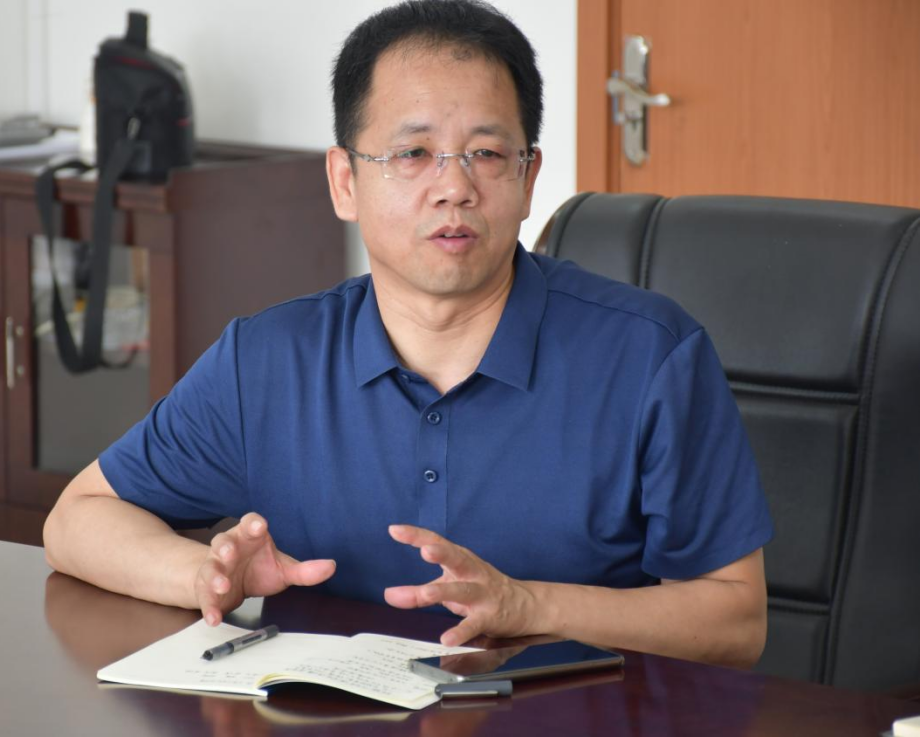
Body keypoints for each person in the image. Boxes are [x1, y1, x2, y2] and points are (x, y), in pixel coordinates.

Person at [44, 0, 773, 669]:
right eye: (413, 153)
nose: (454, 187)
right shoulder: (268, 362)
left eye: (487, 153)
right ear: (344, 182)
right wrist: (203, 575)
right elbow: (79, 519)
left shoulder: (649, 357)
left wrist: (532, 606)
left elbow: (735, 619)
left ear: (527, 179)